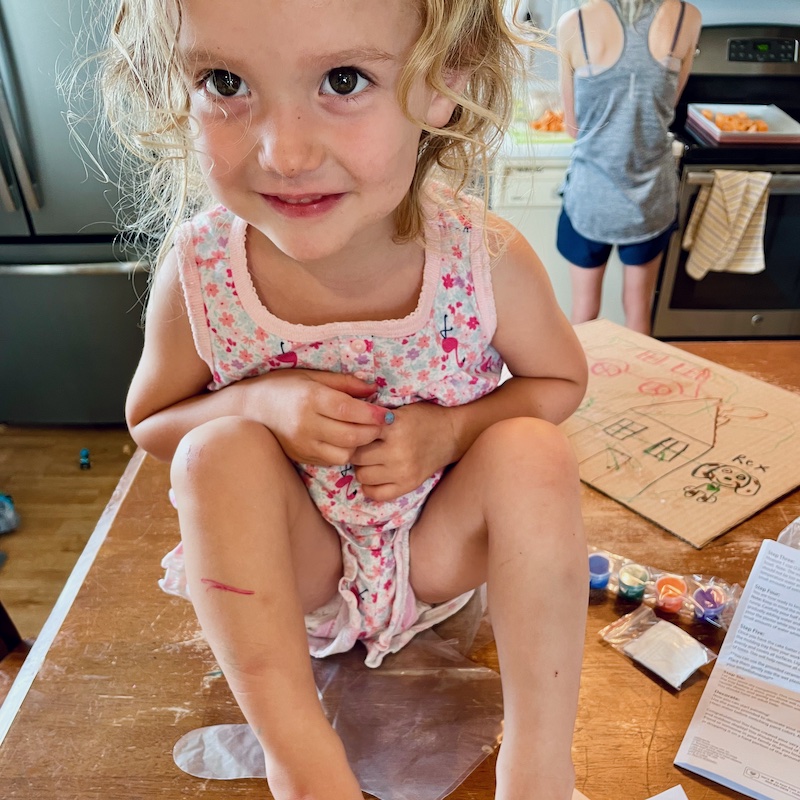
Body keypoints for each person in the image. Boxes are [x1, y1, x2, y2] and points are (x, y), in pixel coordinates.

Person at [100, 1, 589, 798]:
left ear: (444, 84)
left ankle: (538, 764)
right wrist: (256, 408)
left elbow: (561, 383)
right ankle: (302, 762)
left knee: (531, 450)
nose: (284, 153)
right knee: (212, 452)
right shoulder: (201, 272)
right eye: (225, 82)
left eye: (343, 79)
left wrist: (453, 431)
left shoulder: (482, 256)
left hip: (436, 554)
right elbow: (153, 421)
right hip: (299, 578)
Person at [556, 0, 702, 334]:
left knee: (584, 312)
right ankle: (638, 386)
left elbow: (572, 126)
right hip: (649, 199)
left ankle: (588, 387)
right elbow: (667, 107)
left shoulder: (573, 23)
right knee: (638, 311)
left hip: (591, 196)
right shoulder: (687, 18)